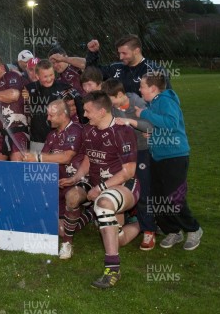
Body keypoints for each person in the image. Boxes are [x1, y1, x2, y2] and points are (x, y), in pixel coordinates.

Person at [62, 91, 140, 288]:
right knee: (72, 196)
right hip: (97, 182)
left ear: (102, 111)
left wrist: (100, 188)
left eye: (88, 111)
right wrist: (76, 177)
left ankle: (112, 269)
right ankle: (67, 243)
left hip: (123, 185)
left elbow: (128, 171)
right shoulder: (89, 130)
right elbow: (88, 158)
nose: (85, 115)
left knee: (103, 204)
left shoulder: (123, 131)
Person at [136, 72, 203, 250]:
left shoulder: (166, 100)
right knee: (158, 197)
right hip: (158, 156)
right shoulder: (154, 102)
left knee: (174, 197)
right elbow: (163, 127)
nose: (139, 89)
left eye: (142, 86)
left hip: (175, 156)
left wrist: (145, 113)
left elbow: (172, 123)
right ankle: (173, 230)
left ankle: (194, 229)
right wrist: (151, 134)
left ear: (153, 88)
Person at [21, 100, 92, 249]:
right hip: (57, 184)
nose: (48, 118)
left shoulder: (76, 130)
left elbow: (66, 157)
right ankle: (87, 214)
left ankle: (88, 215)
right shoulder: (52, 135)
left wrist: (37, 158)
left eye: (51, 115)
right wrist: (29, 161)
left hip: (78, 181)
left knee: (71, 200)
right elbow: (44, 160)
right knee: (60, 229)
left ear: (63, 115)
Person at [102, 78, 155, 250]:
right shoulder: (114, 107)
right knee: (125, 186)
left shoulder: (137, 102)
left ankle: (149, 231)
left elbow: (151, 126)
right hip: (124, 153)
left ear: (119, 95)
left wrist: (130, 122)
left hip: (142, 151)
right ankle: (124, 222)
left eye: (110, 100)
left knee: (143, 189)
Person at [65, 35, 171, 96]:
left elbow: (165, 101)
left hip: (142, 125)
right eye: (119, 53)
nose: (120, 57)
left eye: (124, 53)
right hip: (120, 125)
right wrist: (93, 53)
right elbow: (92, 71)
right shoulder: (117, 67)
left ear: (136, 51)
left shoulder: (153, 70)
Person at [24, 59, 84, 154]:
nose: (49, 79)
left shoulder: (64, 87)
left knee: (58, 167)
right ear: (37, 76)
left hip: (59, 139)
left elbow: (80, 101)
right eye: (45, 76)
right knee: (38, 168)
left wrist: (83, 122)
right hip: (37, 139)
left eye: (51, 75)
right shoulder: (29, 88)